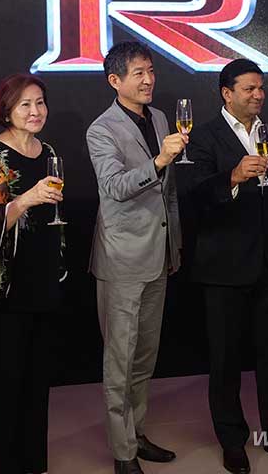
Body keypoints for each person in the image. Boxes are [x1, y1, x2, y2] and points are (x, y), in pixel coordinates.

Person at [187, 58, 268, 474]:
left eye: (261, 88)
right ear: (227, 93)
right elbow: (195, 195)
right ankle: (232, 441)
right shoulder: (201, 136)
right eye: (249, 89)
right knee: (225, 361)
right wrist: (233, 177)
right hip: (223, 266)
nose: (259, 95)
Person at [85, 41, 186, 474]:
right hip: (122, 259)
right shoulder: (101, 129)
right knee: (120, 361)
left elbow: (170, 192)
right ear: (115, 80)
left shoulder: (160, 117)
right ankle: (123, 453)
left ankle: (136, 432)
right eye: (138, 73)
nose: (148, 80)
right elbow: (115, 187)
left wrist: (174, 243)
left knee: (145, 356)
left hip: (159, 254)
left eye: (151, 71)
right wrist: (160, 159)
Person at [0, 74, 66, 474]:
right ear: (6, 109)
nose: (35, 111)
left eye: (40, 102)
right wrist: (26, 199)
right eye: (25, 104)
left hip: (43, 277)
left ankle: (34, 462)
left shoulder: (49, 151)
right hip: (8, 285)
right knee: (7, 384)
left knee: (38, 382)